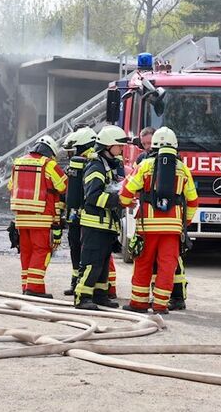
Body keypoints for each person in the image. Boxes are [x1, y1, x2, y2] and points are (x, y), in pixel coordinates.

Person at [119, 127, 198, 314]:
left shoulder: (145, 165)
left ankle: (138, 303)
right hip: (172, 229)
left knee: (143, 263)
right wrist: (184, 222)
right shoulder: (183, 169)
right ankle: (160, 306)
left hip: (147, 227)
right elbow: (193, 201)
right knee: (167, 266)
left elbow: (126, 191)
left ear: (153, 145)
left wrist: (125, 202)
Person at [74, 125, 128, 310]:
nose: (121, 149)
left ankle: (99, 295)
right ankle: (82, 297)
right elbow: (93, 196)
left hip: (105, 224)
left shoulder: (107, 166)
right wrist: (118, 199)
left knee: (103, 262)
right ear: (107, 145)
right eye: (119, 146)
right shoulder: (96, 166)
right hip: (94, 224)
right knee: (92, 261)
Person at [8, 135, 67, 299]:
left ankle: (26, 286)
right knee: (41, 251)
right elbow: (63, 186)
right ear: (50, 152)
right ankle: (34, 287)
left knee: (26, 252)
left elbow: (11, 187)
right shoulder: (49, 164)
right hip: (42, 217)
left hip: (20, 218)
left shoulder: (18, 162)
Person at [61, 127, 97, 296]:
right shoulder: (80, 161)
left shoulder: (94, 160)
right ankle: (76, 282)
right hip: (75, 214)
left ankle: (97, 287)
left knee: (89, 251)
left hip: (88, 216)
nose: (71, 155)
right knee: (75, 247)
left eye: (74, 150)